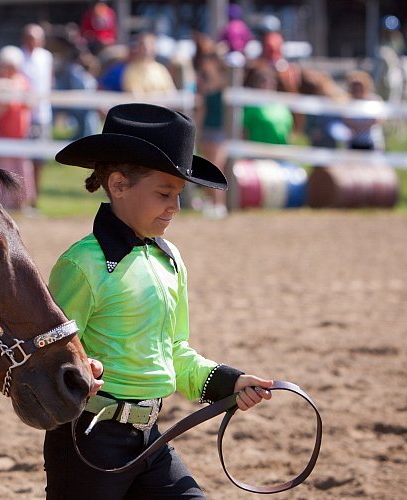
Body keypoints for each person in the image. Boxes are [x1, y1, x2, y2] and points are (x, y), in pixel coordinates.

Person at [43, 103, 273, 499]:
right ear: (118, 185)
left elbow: (174, 352)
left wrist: (229, 381)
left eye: (179, 195)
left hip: (151, 438)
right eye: (164, 193)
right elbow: (48, 360)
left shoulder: (170, 259)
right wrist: (79, 373)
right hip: (88, 445)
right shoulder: (80, 265)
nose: (176, 207)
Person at [0, 45, 37, 212]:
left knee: (23, 168)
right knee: (5, 167)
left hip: (21, 132)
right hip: (4, 133)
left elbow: (30, 103)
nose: (9, 68)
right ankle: (5, 203)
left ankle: (22, 203)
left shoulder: (22, 81)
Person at [193, 32, 229, 219]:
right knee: (209, 168)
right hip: (208, 129)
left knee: (216, 167)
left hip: (217, 130)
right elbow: (201, 110)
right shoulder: (204, 82)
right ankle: (212, 203)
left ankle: (219, 205)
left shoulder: (223, 81)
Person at [20, 23, 54, 208]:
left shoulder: (46, 57)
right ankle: (23, 197)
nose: (33, 42)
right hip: (23, 114)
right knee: (23, 159)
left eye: (36, 38)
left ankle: (35, 198)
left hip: (42, 113)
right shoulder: (19, 56)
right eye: (30, 37)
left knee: (39, 160)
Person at [242, 64, 293, 145]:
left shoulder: (282, 107)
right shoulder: (251, 108)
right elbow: (244, 132)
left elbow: (288, 133)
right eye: (264, 82)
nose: (268, 85)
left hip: (279, 154)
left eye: (271, 82)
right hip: (256, 153)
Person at [343, 70, 385, 150]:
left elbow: (378, 120)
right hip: (353, 142)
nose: (357, 89)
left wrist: (359, 127)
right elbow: (345, 120)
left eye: (359, 86)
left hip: (372, 141)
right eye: (354, 86)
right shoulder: (347, 102)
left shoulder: (374, 100)